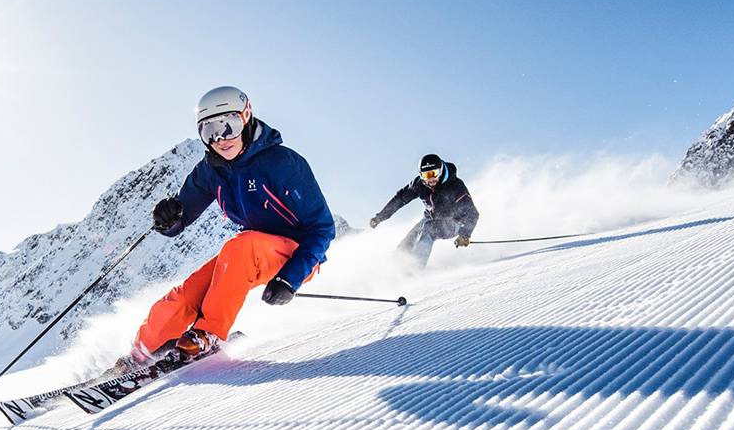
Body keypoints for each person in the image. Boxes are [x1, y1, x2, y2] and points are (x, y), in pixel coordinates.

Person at [130, 85, 336, 366]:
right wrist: (169, 219)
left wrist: (291, 277)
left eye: (229, 126)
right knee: (186, 294)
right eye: (209, 131)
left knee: (240, 246)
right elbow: (181, 219)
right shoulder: (210, 170)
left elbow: (322, 228)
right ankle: (141, 353)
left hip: (296, 254)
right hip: (244, 256)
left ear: (246, 117)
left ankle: (208, 335)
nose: (220, 139)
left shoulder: (282, 163)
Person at [369, 154, 480, 265]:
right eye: (427, 175)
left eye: (434, 173)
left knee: (428, 229)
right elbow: (400, 199)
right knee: (411, 237)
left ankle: (415, 267)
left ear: (440, 171)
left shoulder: (455, 186)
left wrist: (465, 234)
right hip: (430, 219)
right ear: (421, 175)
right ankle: (396, 264)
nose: (431, 179)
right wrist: (380, 217)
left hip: (455, 222)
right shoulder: (419, 185)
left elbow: (473, 213)